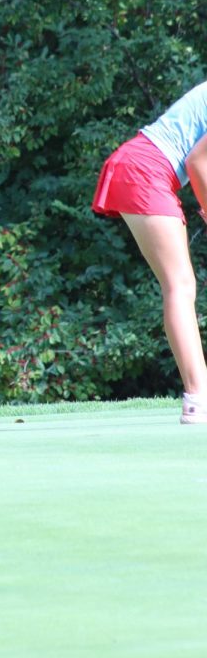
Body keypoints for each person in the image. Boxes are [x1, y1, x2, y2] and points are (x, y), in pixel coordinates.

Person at [92, 81, 207, 424]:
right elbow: (198, 162)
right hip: (145, 169)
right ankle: (199, 396)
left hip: (143, 168)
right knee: (180, 285)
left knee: (180, 285)